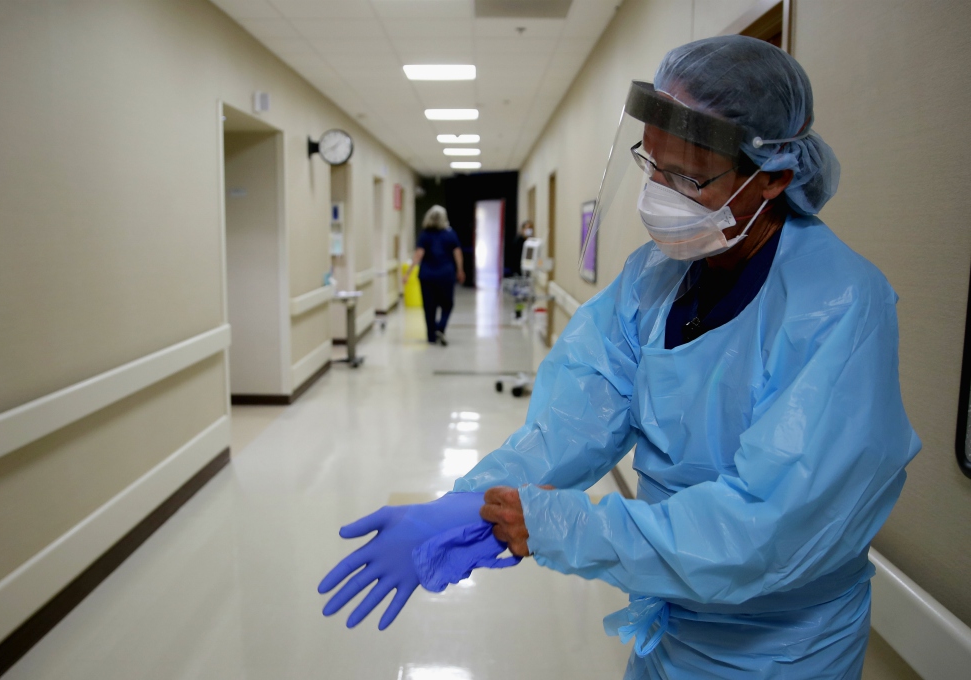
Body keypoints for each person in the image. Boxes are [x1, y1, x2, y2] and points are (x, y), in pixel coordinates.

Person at [321, 36, 920, 679]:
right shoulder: (654, 278)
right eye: (652, 165)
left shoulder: (838, 307)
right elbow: (578, 419)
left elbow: (762, 530)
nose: (660, 192)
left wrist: (557, 526)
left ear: (771, 176)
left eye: (688, 176)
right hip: (667, 622)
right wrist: (470, 505)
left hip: (780, 650)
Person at [402, 205, 465, 345]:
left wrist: (408, 273)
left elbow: (418, 255)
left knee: (429, 307)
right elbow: (458, 253)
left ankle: (431, 336)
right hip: (445, 275)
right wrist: (460, 270)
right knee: (447, 304)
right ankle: (441, 328)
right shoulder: (450, 234)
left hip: (427, 276)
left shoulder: (425, 235)